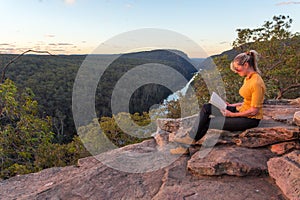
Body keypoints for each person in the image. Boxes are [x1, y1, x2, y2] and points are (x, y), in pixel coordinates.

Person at [170, 50, 266, 154]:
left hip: (249, 119)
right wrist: (231, 105)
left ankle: (185, 146)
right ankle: (189, 140)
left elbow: (254, 110)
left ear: (246, 65)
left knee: (208, 122)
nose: (236, 71)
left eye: (237, 68)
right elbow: (248, 101)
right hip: (241, 110)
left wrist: (232, 115)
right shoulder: (248, 78)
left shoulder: (256, 82)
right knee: (207, 107)